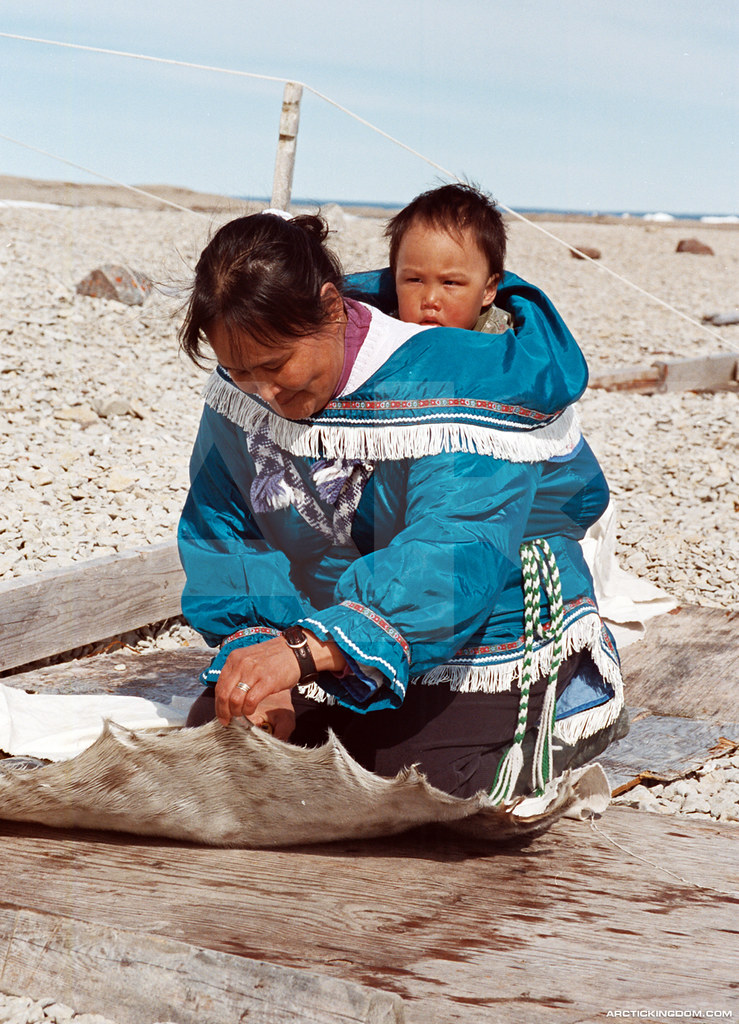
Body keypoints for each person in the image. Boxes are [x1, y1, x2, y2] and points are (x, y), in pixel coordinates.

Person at [177, 211, 626, 803]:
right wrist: (260, 654)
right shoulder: (244, 391)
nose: (261, 392)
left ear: (333, 309)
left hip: (487, 605)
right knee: (224, 730)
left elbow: (456, 550)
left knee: (408, 778)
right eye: (238, 370)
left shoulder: (455, 380)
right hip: (336, 612)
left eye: (274, 366)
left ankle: (563, 707)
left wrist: (305, 652)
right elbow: (225, 527)